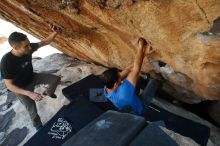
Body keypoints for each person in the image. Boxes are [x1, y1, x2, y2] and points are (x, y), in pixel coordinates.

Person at [0, 24, 61, 130]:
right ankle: (38, 126)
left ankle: (48, 92)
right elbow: (9, 85)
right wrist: (29, 93)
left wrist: (55, 32)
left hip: (33, 77)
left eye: (29, 44)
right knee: (32, 110)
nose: (30, 47)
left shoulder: (28, 48)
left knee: (55, 79)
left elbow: (45, 42)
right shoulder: (6, 61)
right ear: (15, 47)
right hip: (21, 87)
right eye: (26, 46)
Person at [100, 38, 162, 115]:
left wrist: (145, 53)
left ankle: (144, 82)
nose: (121, 74)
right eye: (119, 75)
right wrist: (141, 46)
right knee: (155, 81)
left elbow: (127, 70)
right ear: (115, 84)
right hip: (140, 107)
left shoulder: (107, 87)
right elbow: (136, 69)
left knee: (138, 78)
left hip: (129, 99)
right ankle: (160, 81)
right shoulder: (123, 92)